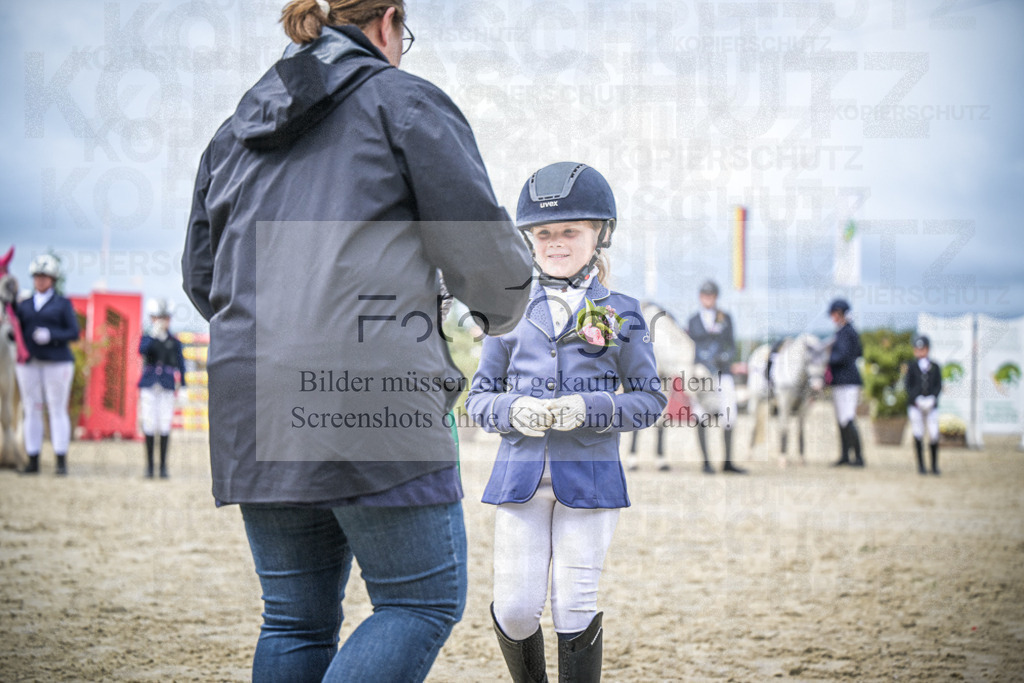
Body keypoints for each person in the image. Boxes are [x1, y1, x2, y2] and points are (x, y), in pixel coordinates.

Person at [181, 0, 532, 680]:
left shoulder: (231, 133)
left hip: (255, 400)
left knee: (292, 617)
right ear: (388, 20)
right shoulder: (402, 102)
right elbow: (484, 258)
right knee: (419, 601)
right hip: (373, 397)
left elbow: (203, 278)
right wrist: (503, 308)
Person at [466, 162, 667, 682]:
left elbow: (649, 399)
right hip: (521, 480)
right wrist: (513, 410)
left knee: (573, 605)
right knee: (514, 607)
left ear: (599, 234)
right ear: (530, 240)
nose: (556, 242)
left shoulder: (623, 311)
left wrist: (592, 409)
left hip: (591, 478)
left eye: (570, 231)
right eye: (545, 233)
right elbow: (479, 399)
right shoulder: (506, 311)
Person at [14, 254, 80, 475]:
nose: (40, 281)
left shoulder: (62, 304)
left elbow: (74, 332)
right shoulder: (23, 305)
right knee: (31, 409)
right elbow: (16, 333)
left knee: (56, 408)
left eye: (45, 277)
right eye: (37, 277)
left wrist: (51, 335)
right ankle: (33, 458)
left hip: (57, 362)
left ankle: (60, 459)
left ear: (52, 279)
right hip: (30, 362)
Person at [686, 279, 745, 474]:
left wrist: (726, 356)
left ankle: (727, 462)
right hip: (702, 376)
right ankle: (706, 462)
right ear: (700, 297)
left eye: (710, 295)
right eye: (704, 295)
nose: (708, 299)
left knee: (729, 414)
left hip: (722, 372)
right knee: (701, 414)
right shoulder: (693, 320)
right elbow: (690, 347)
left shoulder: (725, 317)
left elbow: (731, 344)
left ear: (716, 297)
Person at [138, 299, 186, 479]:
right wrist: (152, 335)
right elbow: (141, 350)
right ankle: (150, 466)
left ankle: (163, 466)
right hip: (150, 384)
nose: (161, 321)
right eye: (158, 317)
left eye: (164, 318)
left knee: (165, 424)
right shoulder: (148, 337)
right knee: (149, 423)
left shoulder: (174, 341)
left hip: (166, 385)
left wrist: (183, 387)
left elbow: (181, 365)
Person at [827, 298, 864, 467]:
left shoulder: (847, 332)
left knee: (848, 417)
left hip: (848, 380)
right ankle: (844, 455)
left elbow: (843, 355)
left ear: (840, 314)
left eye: (834, 314)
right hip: (840, 380)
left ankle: (858, 456)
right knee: (841, 419)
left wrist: (826, 358)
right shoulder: (843, 331)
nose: (833, 317)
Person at [906, 335, 942, 475]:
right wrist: (916, 399)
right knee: (918, 432)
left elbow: (938, 385)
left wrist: (933, 398)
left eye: (923, 349)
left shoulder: (935, 366)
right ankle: (921, 466)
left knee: (933, 434)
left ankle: (934, 466)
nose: (920, 352)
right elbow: (908, 386)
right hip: (916, 405)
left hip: (931, 404)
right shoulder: (911, 366)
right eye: (918, 349)